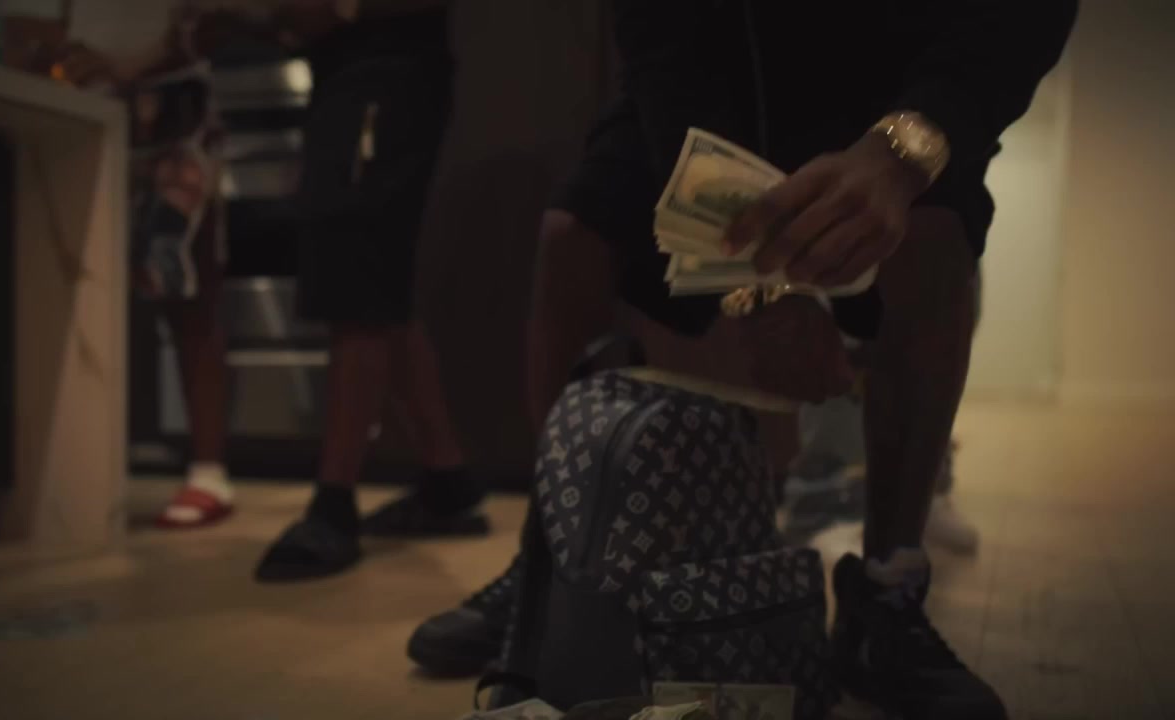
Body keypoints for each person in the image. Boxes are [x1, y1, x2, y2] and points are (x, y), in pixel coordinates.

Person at [411, 2, 1077, 717]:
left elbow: (1020, 19)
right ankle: (551, 561)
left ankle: (887, 597)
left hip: (900, 84)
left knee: (936, 244)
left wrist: (905, 150)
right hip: (710, 83)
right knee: (575, 230)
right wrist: (758, 292)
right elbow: (665, 50)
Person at [246, 0, 491, 582]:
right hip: (352, 65)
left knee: (355, 267)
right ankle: (447, 481)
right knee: (379, 283)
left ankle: (334, 506)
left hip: (379, 61)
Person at [47, 11, 235, 530]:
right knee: (80, 284)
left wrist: (147, 57)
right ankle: (78, 470)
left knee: (188, 290)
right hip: (88, 110)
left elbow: (225, 18)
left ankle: (209, 470)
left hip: (177, 108)